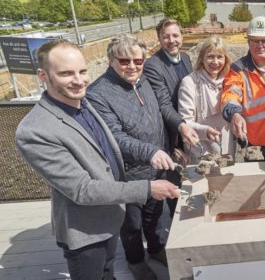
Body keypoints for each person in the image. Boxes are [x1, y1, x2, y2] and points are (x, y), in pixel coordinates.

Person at [15, 39, 180, 280]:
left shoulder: (82, 104)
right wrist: (147, 187)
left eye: (82, 71)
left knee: (108, 271)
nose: (79, 80)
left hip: (110, 213)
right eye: (66, 73)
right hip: (86, 230)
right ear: (43, 75)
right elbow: (82, 190)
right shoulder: (34, 130)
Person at [86, 35, 173, 279]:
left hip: (156, 167)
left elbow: (158, 117)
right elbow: (114, 138)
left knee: (154, 216)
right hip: (127, 174)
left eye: (138, 60)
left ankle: (156, 249)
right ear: (111, 60)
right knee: (131, 224)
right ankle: (135, 261)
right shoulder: (97, 93)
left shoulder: (142, 81)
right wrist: (150, 152)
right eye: (124, 60)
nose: (132, 66)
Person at [143, 18, 199, 216]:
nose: (171, 40)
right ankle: (178, 220)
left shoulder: (185, 58)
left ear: (182, 37)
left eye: (175, 35)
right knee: (174, 181)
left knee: (191, 175)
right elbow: (164, 105)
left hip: (188, 126)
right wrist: (182, 126)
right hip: (171, 132)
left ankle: (192, 211)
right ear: (159, 38)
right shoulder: (153, 65)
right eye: (165, 37)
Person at [221, 16, 265, 161]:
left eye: (264, 40)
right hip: (254, 143)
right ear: (248, 41)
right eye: (255, 40)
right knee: (254, 182)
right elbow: (230, 95)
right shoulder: (238, 69)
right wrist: (235, 114)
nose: (260, 45)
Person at [178, 35, 235, 163]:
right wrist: (205, 131)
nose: (215, 62)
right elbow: (185, 121)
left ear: (225, 59)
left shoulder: (230, 81)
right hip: (200, 149)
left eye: (220, 57)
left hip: (226, 148)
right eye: (210, 56)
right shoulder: (190, 82)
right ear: (202, 58)